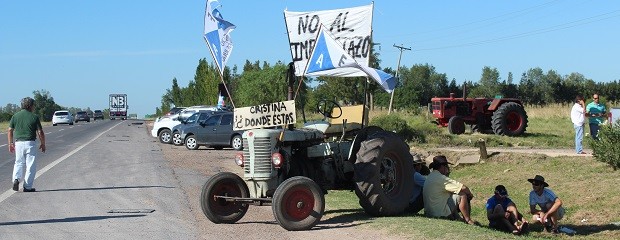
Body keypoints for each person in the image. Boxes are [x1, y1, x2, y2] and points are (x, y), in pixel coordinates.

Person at [423, 155, 477, 225]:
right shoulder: (441, 178)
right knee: (462, 195)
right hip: (439, 213)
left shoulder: (430, 176)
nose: (448, 169)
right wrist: (470, 194)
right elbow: (463, 188)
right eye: (447, 167)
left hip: (429, 213)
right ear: (443, 167)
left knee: (449, 196)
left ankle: (458, 218)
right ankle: (468, 220)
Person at [8, 97, 46, 192]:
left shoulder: (15, 116)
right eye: (33, 105)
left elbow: (10, 130)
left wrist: (10, 143)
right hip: (30, 143)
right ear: (30, 106)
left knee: (19, 162)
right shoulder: (34, 117)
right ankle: (27, 187)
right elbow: (40, 132)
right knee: (30, 165)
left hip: (18, 143)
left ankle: (16, 179)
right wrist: (43, 143)